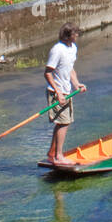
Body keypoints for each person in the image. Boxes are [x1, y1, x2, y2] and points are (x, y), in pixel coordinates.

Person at [44, 23, 85, 165]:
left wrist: (77, 84)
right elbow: (48, 73)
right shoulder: (57, 50)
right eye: (75, 34)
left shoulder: (73, 48)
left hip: (66, 91)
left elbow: (70, 68)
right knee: (63, 123)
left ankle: (51, 153)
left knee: (63, 122)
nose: (77, 36)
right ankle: (58, 157)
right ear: (69, 35)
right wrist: (58, 92)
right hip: (57, 93)